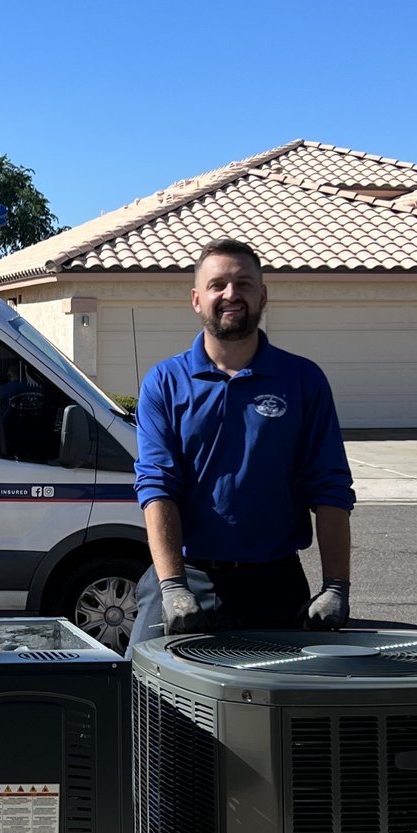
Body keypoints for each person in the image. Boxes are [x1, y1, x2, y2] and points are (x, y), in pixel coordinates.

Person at [129, 237, 355, 643]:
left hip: (275, 583)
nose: (231, 294)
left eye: (244, 284)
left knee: (276, 704)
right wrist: (172, 588)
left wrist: (336, 586)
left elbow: (331, 487)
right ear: (196, 299)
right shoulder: (165, 382)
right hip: (186, 578)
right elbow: (157, 486)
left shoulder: (303, 380)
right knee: (152, 700)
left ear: (263, 295)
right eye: (218, 285)